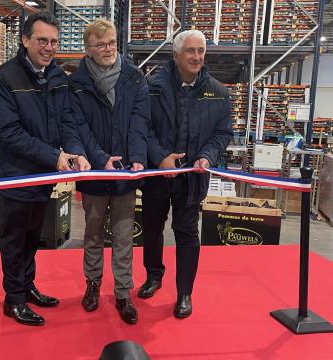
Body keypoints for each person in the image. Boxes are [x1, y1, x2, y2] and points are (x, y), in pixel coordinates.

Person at [0, 12, 91, 327]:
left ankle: (26, 286)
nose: (48, 47)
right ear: (25, 41)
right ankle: (13, 299)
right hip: (15, 173)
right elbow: (10, 132)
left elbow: (67, 122)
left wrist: (76, 152)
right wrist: (53, 156)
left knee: (33, 235)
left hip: (43, 174)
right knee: (14, 238)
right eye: (42, 40)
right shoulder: (5, 78)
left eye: (54, 41)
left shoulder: (57, 77)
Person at [138, 30, 233, 318]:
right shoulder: (152, 87)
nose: (196, 57)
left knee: (187, 233)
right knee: (152, 228)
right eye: (190, 51)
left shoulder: (218, 92)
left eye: (201, 51)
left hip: (192, 178)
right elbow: (143, 129)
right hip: (158, 174)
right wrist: (160, 158)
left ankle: (184, 292)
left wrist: (207, 156)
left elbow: (222, 133)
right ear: (176, 55)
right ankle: (154, 276)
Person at [69, 19, 149, 324]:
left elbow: (141, 121)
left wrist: (138, 157)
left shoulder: (134, 78)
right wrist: (101, 158)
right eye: (101, 44)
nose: (108, 49)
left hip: (126, 173)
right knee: (92, 233)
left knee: (124, 236)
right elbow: (78, 128)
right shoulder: (76, 83)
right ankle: (92, 285)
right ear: (88, 49)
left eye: (112, 42)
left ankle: (123, 293)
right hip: (94, 173)